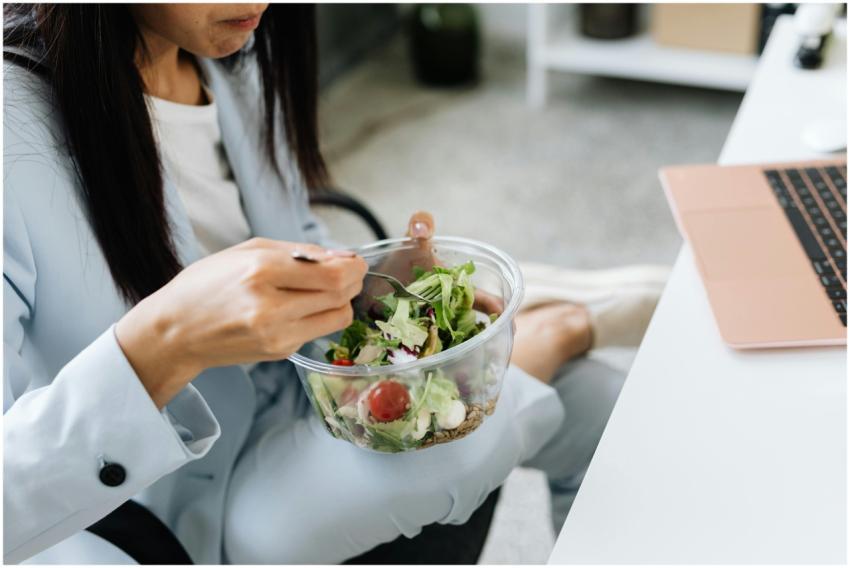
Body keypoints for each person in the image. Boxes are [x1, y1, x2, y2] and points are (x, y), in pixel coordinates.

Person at [3, 4, 654, 564]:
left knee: (613, 411)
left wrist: (361, 288)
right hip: (184, 508)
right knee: (454, 449)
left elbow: (293, 228)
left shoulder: (227, 50)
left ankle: (550, 329)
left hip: (308, 390)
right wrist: (163, 344)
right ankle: (559, 324)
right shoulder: (13, 136)